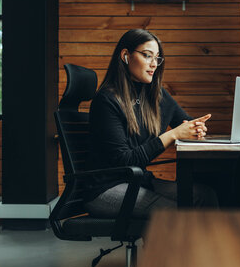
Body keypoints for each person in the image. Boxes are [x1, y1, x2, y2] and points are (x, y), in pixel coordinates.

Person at [84, 29, 219, 218]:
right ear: (125, 56)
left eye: (157, 58)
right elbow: (125, 161)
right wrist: (173, 135)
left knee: (204, 196)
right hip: (105, 188)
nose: (154, 64)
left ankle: (208, 249)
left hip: (138, 180)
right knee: (178, 214)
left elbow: (187, 122)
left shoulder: (156, 95)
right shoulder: (107, 100)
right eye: (147, 56)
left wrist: (197, 128)